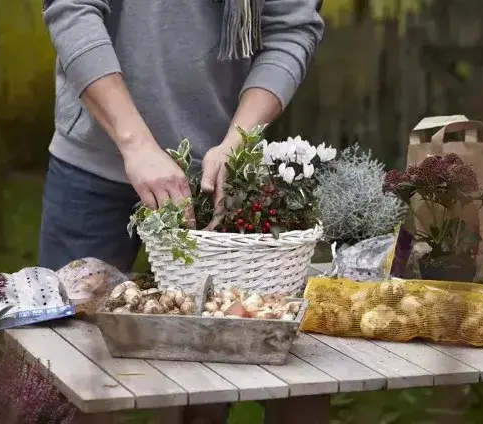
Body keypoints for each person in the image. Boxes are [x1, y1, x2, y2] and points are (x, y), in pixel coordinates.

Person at [39, 0, 324, 275]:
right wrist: (135, 144)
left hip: (214, 180)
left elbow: (289, 31)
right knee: (68, 317)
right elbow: (73, 9)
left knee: (217, 319)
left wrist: (238, 142)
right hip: (95, 167)